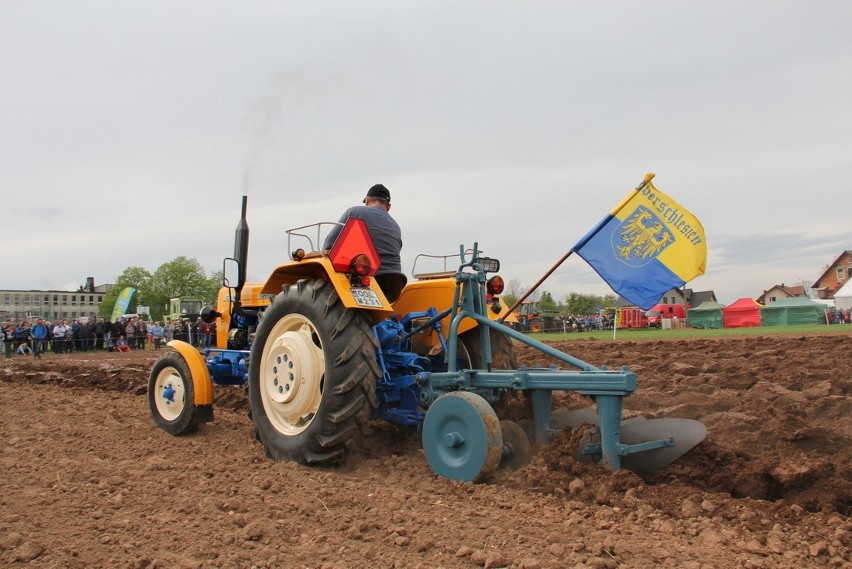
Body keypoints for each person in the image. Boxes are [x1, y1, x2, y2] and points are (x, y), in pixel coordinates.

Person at [323, 184, 405, 300]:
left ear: (367, 200)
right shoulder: (396, 226)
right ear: (389, 207)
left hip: (368, 279)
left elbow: (329, 245)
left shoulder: (355, 212)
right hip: (394, 283)